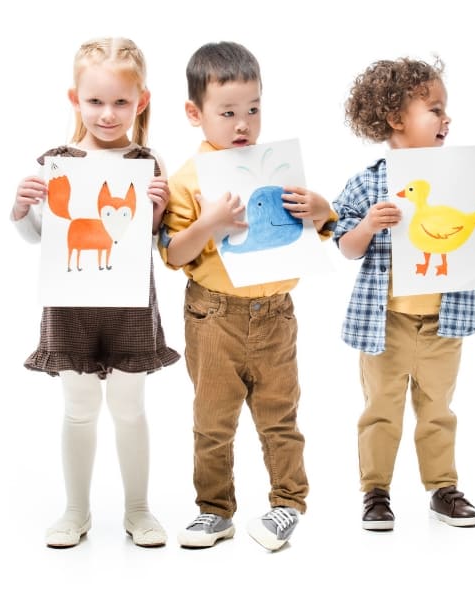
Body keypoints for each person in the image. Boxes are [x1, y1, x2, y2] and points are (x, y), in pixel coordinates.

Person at [158, 41, 336, 551]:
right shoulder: (188, 179)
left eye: (253, 110)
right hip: (214, 316)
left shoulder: (275, 166)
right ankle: (214, 510)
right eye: (228, 113)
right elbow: (172, 254)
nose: (243, 124)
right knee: (212, 420)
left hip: (276, 314)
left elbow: (315, 230)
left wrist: (321, 210)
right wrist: (210, 222)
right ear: (195, 113)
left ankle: (286, 504)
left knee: (280, 415)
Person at [11, 37, 180, 548]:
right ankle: (75, 511)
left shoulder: (146, 163)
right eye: (96, 101)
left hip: (129, 307)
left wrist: (156, 213)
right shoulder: (55, 161)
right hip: (69, 306)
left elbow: (147, 242)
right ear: (75, 99)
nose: (108, 114)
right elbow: (41, 235)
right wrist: (21, 210)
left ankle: (138, 509)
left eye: (121, 102)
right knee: (79, 408)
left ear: (141, 101)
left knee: (129, 408)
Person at [332, 57, 475, 531]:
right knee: (380, 411)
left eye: (444, 108)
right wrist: (369, 224)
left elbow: (473, 245)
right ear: (396, 119)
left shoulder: (460, 181)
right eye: (434, 108)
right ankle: (376, 492)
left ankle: (442, 488)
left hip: (443, 320)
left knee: (438, 410)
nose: (445, 118)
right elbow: (345, 247)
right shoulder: (369, 182)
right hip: (385, 320)